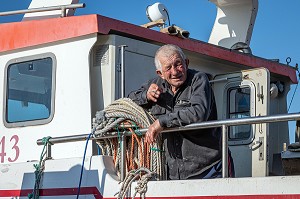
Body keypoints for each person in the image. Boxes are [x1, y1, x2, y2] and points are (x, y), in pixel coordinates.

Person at [128, 44, 234, 180]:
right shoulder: (154, 84)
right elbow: (129, 100)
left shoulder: (199, 80)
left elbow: (198, 112)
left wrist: (162, 122)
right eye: (168, 68)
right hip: (172, 173)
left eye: (178, 64)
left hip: (208, 169)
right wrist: (146, 96)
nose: (175, 71)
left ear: (187, 63)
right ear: (160, 73)